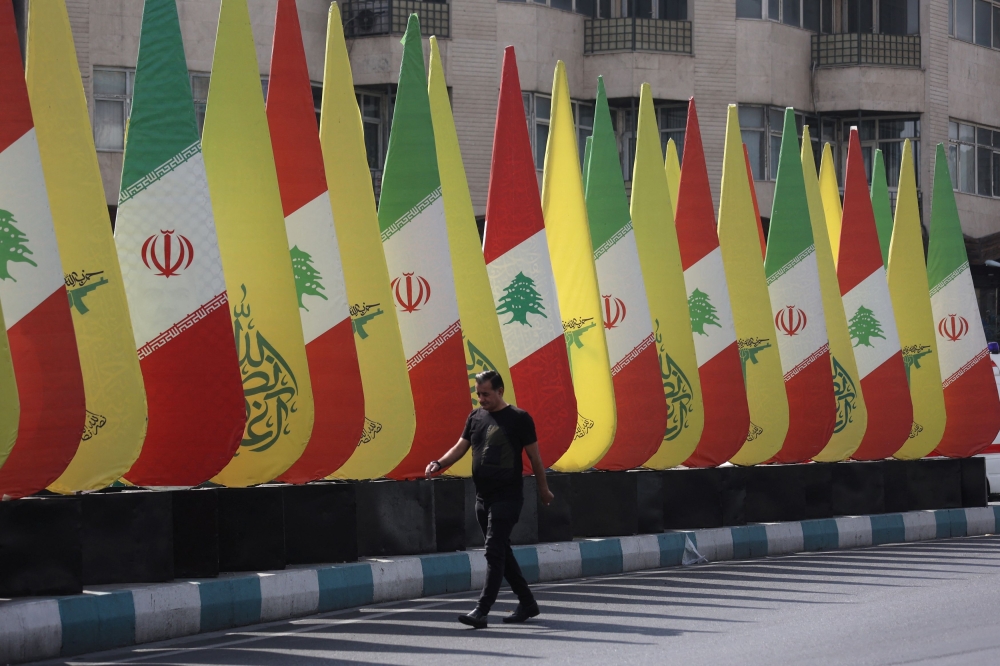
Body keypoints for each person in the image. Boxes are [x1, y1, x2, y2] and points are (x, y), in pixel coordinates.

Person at [425, 370, 554, 629]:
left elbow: (535, 459)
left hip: (508, 497)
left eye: (486, 394)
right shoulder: (475, 417)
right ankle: (528, 603)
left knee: (493, 551)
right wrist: (439, 463)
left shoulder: (519, 418)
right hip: (482, 498)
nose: (481, 399)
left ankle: (481, 610)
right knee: (501, 552)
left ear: (500, 391)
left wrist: (543, 489)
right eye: (478, 394)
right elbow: (461, 447)